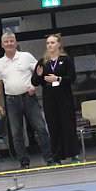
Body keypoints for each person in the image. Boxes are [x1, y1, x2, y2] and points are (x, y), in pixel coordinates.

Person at [0, 29, 54, 168]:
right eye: (6, 42)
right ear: (2, 45)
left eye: (11, 41)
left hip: (29, 98)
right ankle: (24, 161)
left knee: (41, 128)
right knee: (16, 133)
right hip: (11, 101)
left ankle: (49, 158)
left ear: (16, 43)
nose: (9, 44)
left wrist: (35, 85)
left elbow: (40, 71)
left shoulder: (26, 56)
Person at [31, 34, 81, 165]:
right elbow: (35, 82)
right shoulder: (42, 62)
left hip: (64, 97)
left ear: (59, 44)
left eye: (52, 42)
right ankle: (57, 157)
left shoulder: (66, 59)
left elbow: (72, 77)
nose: (50, 45)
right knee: (53, 127)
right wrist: (39, 75)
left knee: (68, 125)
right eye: (48, 43)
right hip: (49, 98)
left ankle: (73, 155)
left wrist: (58, 78)